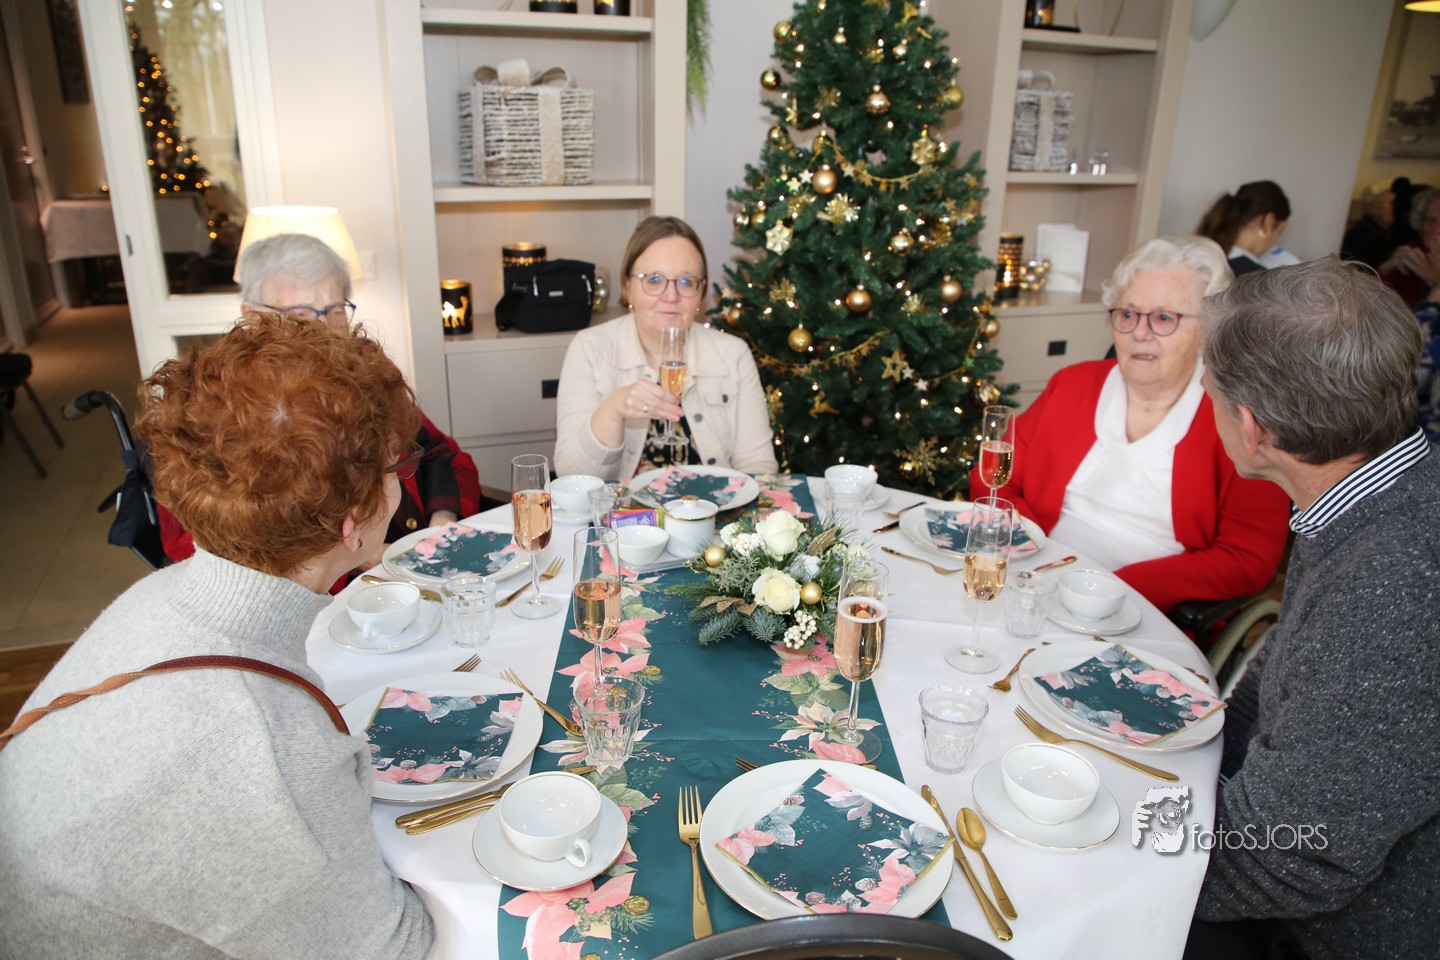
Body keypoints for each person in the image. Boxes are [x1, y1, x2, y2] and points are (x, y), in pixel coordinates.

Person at [0, 313, 434, 957]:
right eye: (398, 467)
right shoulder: (262, 756)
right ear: (352, 522)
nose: (403, 483)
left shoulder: (159, 597)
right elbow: (396, 947)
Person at [1188, 259, 1440, 960]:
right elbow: (1273, 691)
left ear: (1253, 428)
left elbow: (1293, 856)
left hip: (1327, 936)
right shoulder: (1376, 496)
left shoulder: (1391, 583)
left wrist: (1126, 854)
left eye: (1208, 394)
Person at [971, 237, 1290, 614]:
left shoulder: (1241, 419)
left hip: (1144, 611)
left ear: (1209, 330)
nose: (1140, 332)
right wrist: (1034, 548)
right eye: (1127, 314)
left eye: (1164, 318)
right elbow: (992, 477)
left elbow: (1249, 558)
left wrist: (1114, 589)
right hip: (1035, 582)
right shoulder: (1074, 384)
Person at [159, 232, 480, 567]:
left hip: (414, 556)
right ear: (252, 315)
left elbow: (437, 452)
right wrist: (364, 557)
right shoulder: (219, 399)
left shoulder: (368, 365)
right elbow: (201, 540)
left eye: (335, 310)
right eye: (301, 312)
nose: (325, 329)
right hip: (327, 585)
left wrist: (442, 522)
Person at [555, 215, 777, 480]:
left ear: (701, 291)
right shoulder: (590, 349)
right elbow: (571, 477)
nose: (671, 296)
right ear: (628, 286)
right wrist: (613, 410)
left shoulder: (733, 355)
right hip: (622, 508)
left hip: (715, 505)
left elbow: (759, 470)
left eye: (685, 282)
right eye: (654, 280)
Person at [1196, 181, 1292, 278]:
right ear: (1268, 222)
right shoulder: (1257, 277)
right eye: (1279, 232)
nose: (1275, 243)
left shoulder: (1201, 257)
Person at [1377, 186, 1439, 308]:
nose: (1437, 231)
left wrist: (1435, 283)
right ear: (1420, 223)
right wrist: (1385, 269)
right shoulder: (1413, 255)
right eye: (1431, 221)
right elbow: (1366, 303)